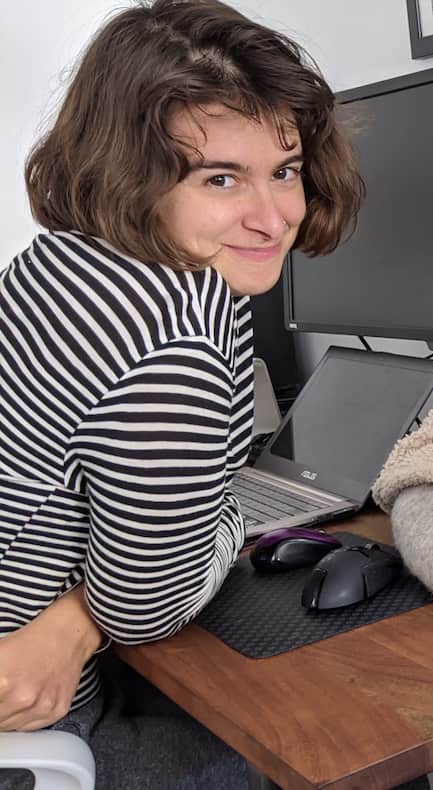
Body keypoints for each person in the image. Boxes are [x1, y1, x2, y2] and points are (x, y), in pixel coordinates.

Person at [0, 0, 364, 786]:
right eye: (221, 177)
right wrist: (231, 508)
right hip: (35, 711)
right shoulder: (177, 338)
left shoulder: (60, 259)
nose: (274, 218)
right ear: (134, 174)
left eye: (285, 169)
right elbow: (145, 609)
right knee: (339, 749)